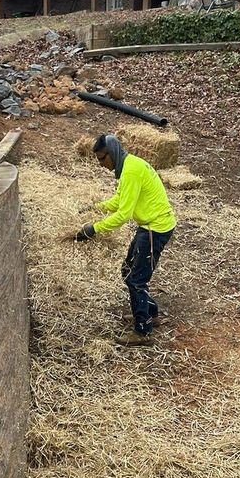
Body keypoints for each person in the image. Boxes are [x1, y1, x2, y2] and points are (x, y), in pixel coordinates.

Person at [68, 133, 177, 347]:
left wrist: (92, 229)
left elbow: (123, 215)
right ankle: (148, 311)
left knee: (137, 279)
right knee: (127, 271)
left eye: (102, 159)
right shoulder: (128, 166)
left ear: (112, 153)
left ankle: (142, 331)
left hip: (156, 228)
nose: (101, 164)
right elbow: (120, 199)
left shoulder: (131, 170)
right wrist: (95, 208)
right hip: (147, 226)